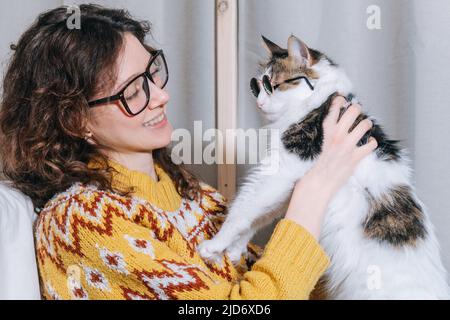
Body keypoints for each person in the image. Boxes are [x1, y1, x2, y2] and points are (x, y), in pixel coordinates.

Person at [0, 4, 377, 300]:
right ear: (74, 120)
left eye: (152, 73)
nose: (161, 96)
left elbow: (281, 284)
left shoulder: (191, 196)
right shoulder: (80, 221)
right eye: (133, 91)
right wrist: (315, 188)